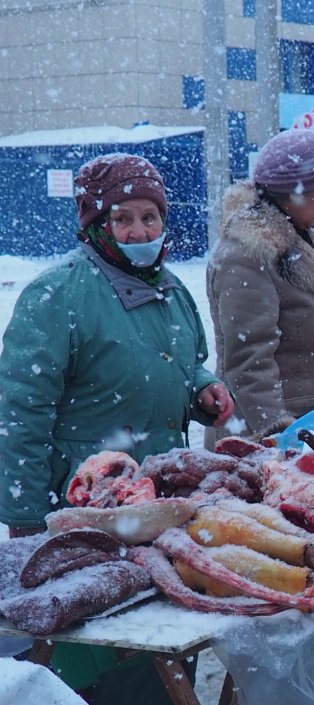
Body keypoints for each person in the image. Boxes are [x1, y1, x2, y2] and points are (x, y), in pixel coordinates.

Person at [0, 153, 233, 703]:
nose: (139, 230)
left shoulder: (172, 288)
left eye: (149, 217)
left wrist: (201, 387)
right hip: (80, 508)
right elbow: (19, 412)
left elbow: (183, 359)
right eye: (123, 218)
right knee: (97, 649)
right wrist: (27, 518)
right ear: (96, 224)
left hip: (157, 504)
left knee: (163, 639)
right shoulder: (58, 294)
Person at [206, 129, 314, 445]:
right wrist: (280, 437)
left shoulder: (302, 237)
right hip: (261, 439)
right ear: (294, 191)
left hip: (307, 427)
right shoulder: (247, 253)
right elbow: (249, 360)